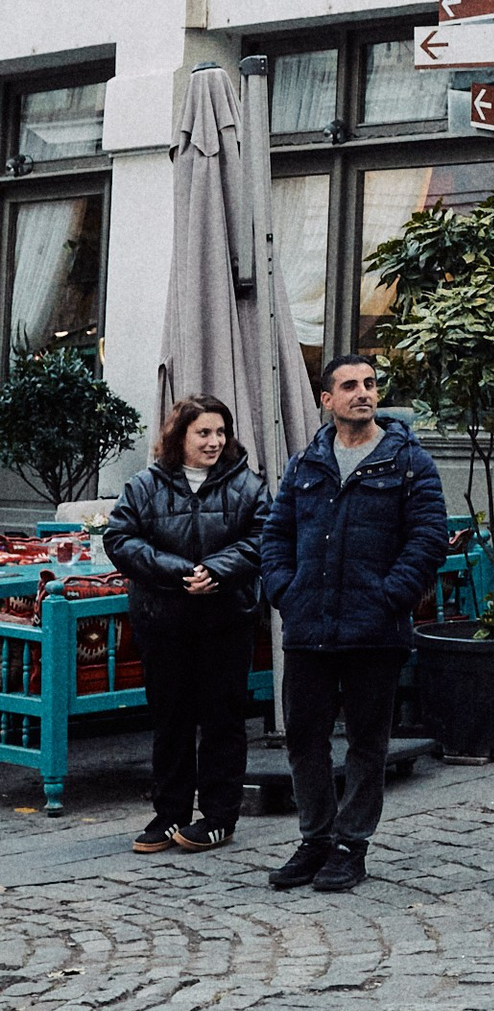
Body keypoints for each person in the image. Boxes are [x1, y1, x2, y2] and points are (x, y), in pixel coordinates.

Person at [259, 352, 450, 894]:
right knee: (304, 738)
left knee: (368, 741)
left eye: (369, 384)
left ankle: (351, 845)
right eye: (349, 386)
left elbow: (429, 535)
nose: (363, 393)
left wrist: (392, 594)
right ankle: (315, 838)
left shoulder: (408, 461)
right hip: (309, 626)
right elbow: (276, 536)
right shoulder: (305, 465)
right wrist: (285, 591)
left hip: (375, 629)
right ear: (327, 400)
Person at [103, 393, 267, 855]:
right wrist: (178, 572)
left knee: (222, 719)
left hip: (225, 620)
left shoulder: (249, 486)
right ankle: (170, 813)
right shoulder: (144, 484)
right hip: (165, 621)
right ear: (180, 436)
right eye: (204, 433)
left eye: (220, 432)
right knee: (170, 720)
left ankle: (219, 817)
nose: (214, 442)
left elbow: (263, 536)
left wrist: (217, 570)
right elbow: (120, 537)